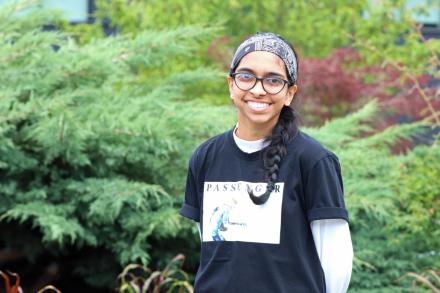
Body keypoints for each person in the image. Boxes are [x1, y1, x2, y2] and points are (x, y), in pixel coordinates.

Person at [180, 32, 353, 293]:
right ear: (231, 84)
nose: (258, 89)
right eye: (247, 76)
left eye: (273, 80)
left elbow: (335, 261)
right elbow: (211, 247)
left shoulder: (314, 161)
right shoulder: (205, 157)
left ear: (289, 93)